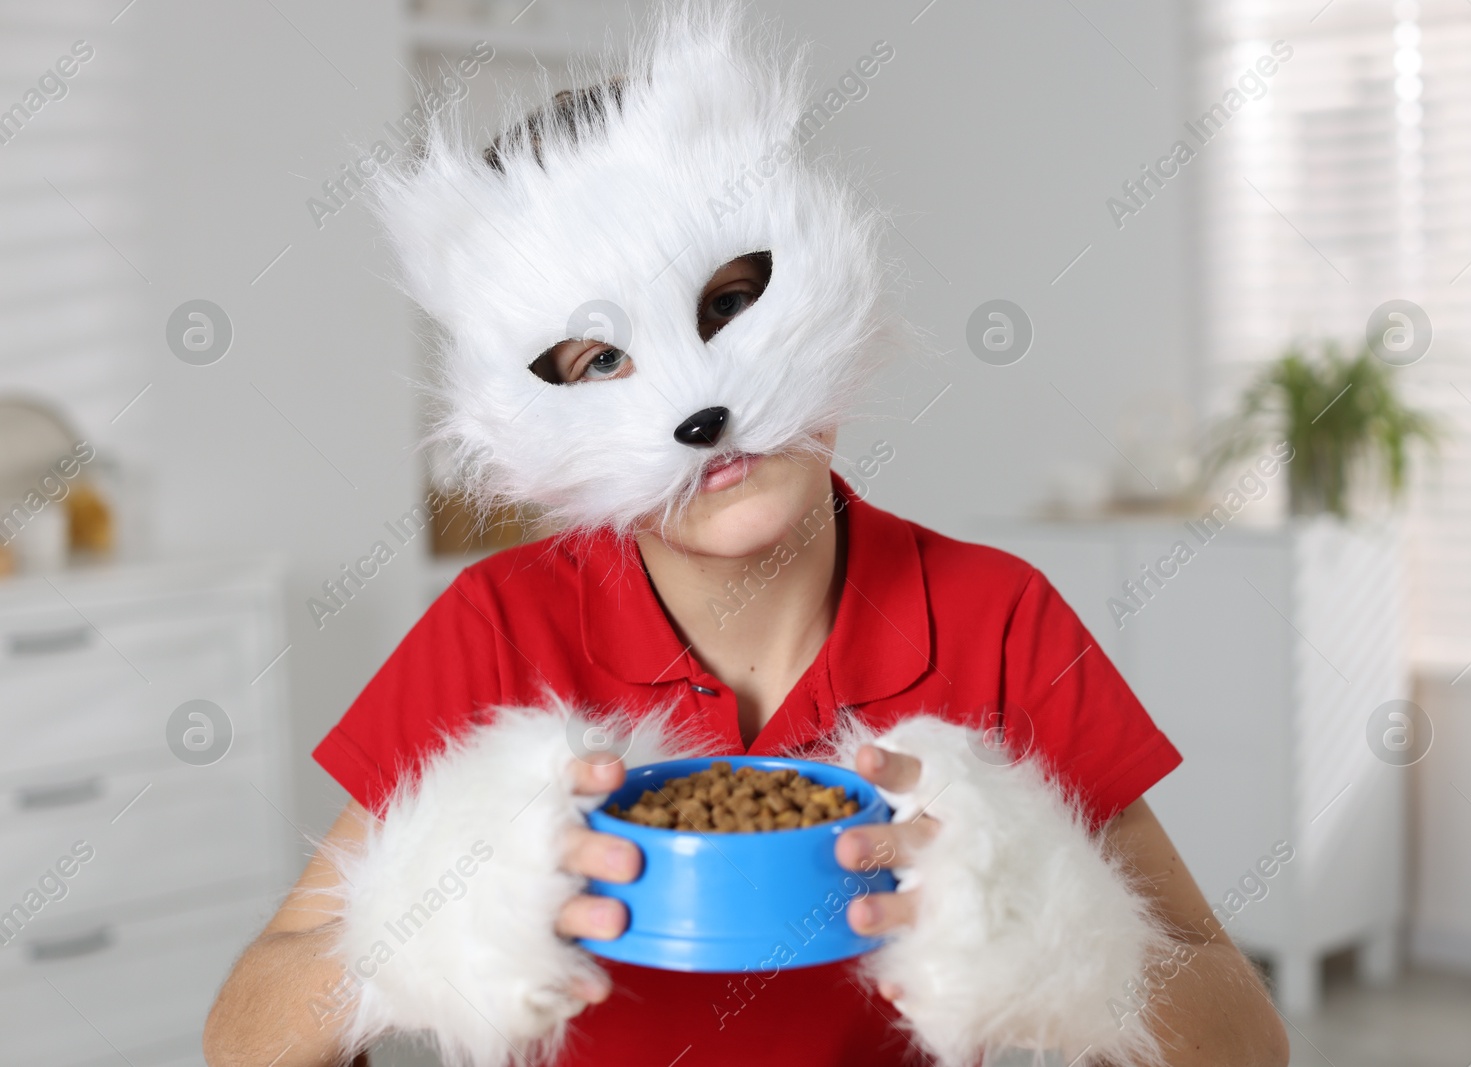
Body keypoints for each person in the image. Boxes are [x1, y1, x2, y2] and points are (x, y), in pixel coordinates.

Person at [204, 6, 1289, 1066]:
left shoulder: (995, 617)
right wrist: (413, 929)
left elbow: (1248, 1040)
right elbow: (241, 1035)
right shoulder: (493, 626)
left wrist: (1068, 940)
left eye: (731, 302)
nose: (699, 403)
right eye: (595, 363)